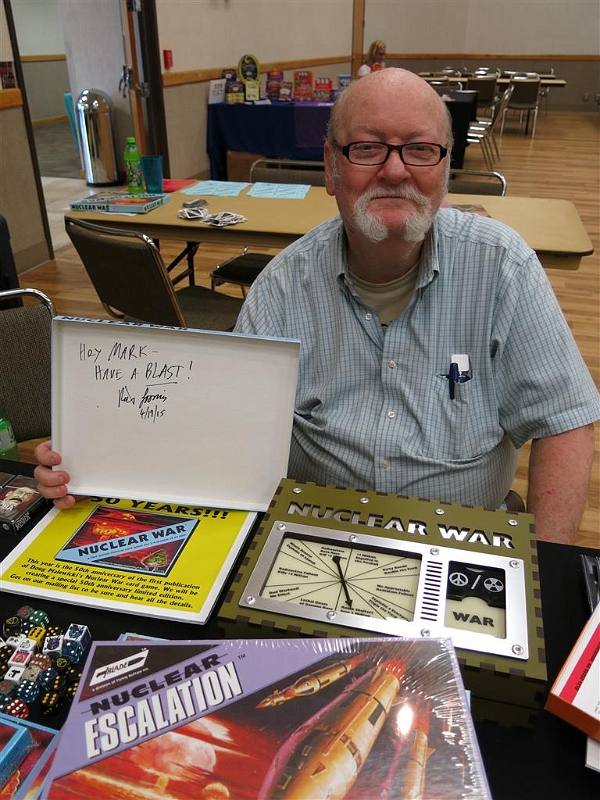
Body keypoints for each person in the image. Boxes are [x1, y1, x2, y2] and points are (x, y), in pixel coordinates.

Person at [35, 69, 598, 545]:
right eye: (367, 148)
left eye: (420, 149)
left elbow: (566, 421)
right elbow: (220, 435)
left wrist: (544, 571)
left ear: (445, 168)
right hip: (314, 539)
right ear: (331, 167)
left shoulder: (502, 268)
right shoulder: (281, 288)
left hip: (461, 542)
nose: (395, 170)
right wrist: (96, 459)